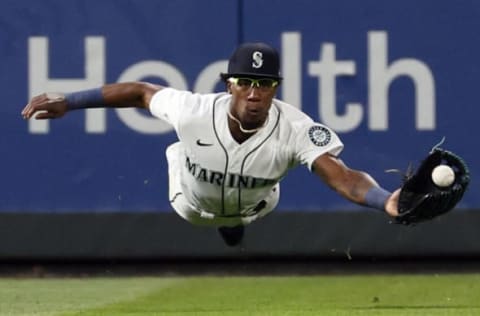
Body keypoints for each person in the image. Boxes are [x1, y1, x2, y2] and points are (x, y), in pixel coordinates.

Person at [22, 42, 400, 246]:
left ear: (276, 88)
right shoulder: (193, 111)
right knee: (181, 156)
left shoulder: (297, 127)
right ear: (229, 84)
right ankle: (222, 216)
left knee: (244, 204)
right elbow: (140, 91)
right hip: (188, 202)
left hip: (258, 206)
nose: (254, 93)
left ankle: (234, 223)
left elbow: (343, 176)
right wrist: (70, 101)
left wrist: (385, 200)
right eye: (245, 82)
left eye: (265, 83)